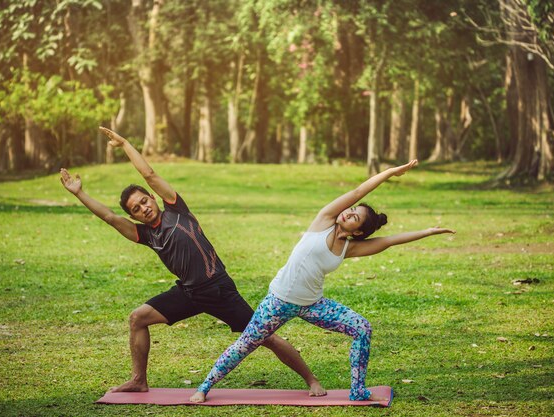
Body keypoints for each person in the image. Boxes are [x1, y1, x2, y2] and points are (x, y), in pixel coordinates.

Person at [60, 127, 324, 395]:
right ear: (135, 216)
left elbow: (149, 174)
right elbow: (109, 217)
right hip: (189, 292)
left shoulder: (176, 209)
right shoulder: (146, 235)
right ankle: (139, 380)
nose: (144, 208)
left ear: (153, 198)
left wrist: (126, 143)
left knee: (265, 337)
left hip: (219, 289)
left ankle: (312, 380)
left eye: (144, 201)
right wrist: (79, 193)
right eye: (136, 209)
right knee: (138, 318)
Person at [190, 159, 455, 403]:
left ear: (359, 231)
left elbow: (388, 241)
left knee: (362, 328)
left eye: (355, 217)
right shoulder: (324, 220)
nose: (348, 213)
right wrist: (391, 173)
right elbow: (358, 191)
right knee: (246, 344)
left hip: (313, 304)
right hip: (278, 301)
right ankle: (204, 387)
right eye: (351, 211)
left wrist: (428, 232)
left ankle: (358, 390)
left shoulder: (348, 248)